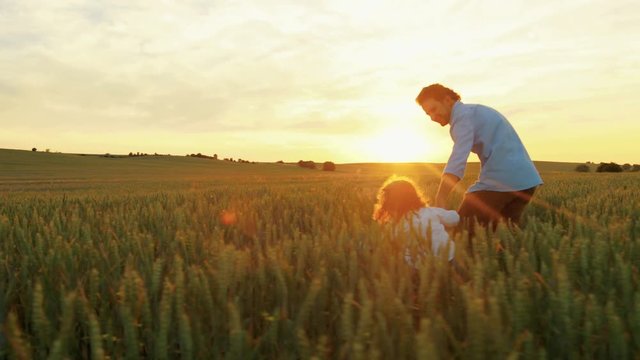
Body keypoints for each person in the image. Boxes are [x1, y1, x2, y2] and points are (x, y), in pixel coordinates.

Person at [415, 84, 543, 236]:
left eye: (434, 109)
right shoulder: (475, 111)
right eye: (428, 114)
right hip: (527, 181)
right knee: (505, 240)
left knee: (461, 235)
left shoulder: (462, 118)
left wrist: (441, 196)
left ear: (448, 100)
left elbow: (458, 157)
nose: (432, 117)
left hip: (502, 180)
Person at [372, 176, 460, 266]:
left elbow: (386, 244)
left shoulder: (396, 227)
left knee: (402, 255)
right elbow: (455, 218)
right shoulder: (431, 211)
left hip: (420, 267)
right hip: (449, 258)